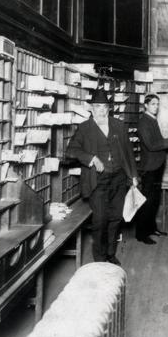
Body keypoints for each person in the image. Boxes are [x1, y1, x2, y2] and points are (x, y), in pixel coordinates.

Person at [65, 89, 138, 265]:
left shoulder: (119, 126)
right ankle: (99, 258)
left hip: (119, 178)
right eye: (97, 106)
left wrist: (134, 176)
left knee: (116, 218)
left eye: (104, 107)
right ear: (91, 108)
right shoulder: (85, 128)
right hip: (97, 181)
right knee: (100, 220)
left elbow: (128, 153)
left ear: (109, 108)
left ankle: (111, 254)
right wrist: (91, 159)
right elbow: (71, 151)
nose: (101, 110)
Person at [135, 94, 168, 244]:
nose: (156, 107)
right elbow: (151, 145)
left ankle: (151, 228)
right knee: (147, 201)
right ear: (146, 105)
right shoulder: (143, 122)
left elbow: (157, 141)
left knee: (154, 200)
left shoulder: (152, 120)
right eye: (153, 104)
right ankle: (141, 234)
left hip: (157, 165)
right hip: (149, 167)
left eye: (157, 104)